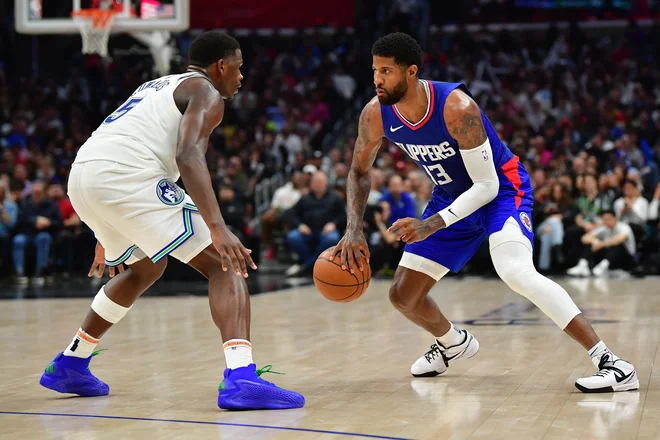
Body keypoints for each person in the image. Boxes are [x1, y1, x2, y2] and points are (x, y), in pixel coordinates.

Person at [333, 32, 637, 393]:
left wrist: (431, 224)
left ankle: (612, 363)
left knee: (514, 271)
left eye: (386, 71)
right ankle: (453, 343)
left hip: (502, 190)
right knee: (403, 295)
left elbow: (487, 186)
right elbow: (358, 171)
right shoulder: (376, 114)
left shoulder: (456, 107)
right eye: (374, 71)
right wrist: (353, 228)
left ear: (411, 72)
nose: (377, 80)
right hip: (451, 196)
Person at [38, 31, 304, 410]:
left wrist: (105, 224)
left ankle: (71, 362)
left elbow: (125, 138)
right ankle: (242, 377)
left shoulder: (156, 85)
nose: (242, 76)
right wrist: (216, 227)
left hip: (84, 176)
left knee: (144, 268)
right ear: (221, 66)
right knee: (225, 264)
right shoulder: (207, 92)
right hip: (126, 176)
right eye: (239, 67)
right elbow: (188, 155)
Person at [567, 210, 636, 277]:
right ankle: (583, 264)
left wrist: (601, 244)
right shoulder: (603, 228)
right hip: (609, 258)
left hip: (626, 258)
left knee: (616, 245)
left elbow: (619, 239)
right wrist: (595, 241)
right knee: (593, 244)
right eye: (604, 219)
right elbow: (584, 238)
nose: (607, 221)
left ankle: (602, 267)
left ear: (615, 218)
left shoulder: (623, 227)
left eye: (608, 219)